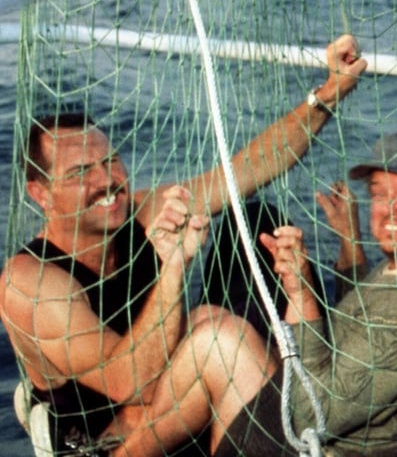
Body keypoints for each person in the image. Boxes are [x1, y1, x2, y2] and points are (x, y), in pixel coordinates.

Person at [0, 34, 367, 456]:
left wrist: (330, 92)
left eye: (109, 161)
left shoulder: (136, 211)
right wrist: (173, 265)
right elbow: (128, 381)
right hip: (112, 444)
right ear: (40, 194)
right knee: (216, 339)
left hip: (168, 410)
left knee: (251, 222)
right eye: (80, 172)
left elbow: (249, 170)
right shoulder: (30, 284)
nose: (105, 181)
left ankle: (294, 420)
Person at [217, 130, 397, 457]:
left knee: (218, 340)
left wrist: (300, 290)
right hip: (332, 404)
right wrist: (349, 240)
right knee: (215, 321)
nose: (390, 209)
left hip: (312, 434)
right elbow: (363, 330)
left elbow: (309, 415)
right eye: (379, 194)